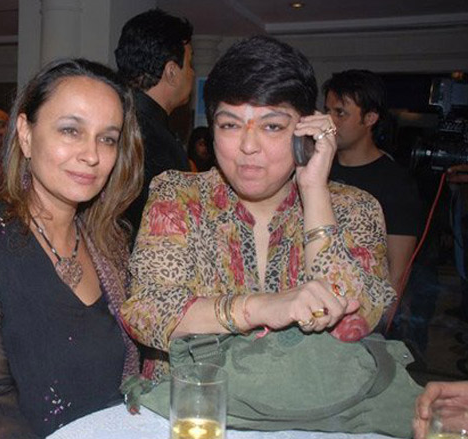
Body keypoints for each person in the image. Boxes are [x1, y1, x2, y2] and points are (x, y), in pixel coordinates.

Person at [120, 35, 396, 380]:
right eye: (230, 125)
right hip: (195, 401)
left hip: (309, 403)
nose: (248, 146)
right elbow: (146, 313)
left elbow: (358, 319)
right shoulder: (180, 197)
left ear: (306, 129)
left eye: (272, 126)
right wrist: (261, 308)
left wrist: (314, 192)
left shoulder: (355, 208)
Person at [0, 58, 144, 438]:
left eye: (107, 138)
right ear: (25, 133)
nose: (92, 155)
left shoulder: (109, 245)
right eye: (70, 130)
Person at [323, 70, 422, 295]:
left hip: (364, 303)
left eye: (340, 113)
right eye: (327, 111)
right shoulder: (318, 169)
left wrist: (386, 314)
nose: (330, 121)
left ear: (370, 118)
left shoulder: (396, 182)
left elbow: (398, 271)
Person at [115, 8, 194, 242]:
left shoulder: (112, 120)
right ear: (171, 72)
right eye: (190, 64)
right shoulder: (157, 142)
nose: (192, 73)